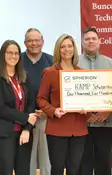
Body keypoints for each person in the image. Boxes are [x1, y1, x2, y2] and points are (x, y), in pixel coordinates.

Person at [37, 34, 91, 175]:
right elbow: (41, 99)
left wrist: (87, 109)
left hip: (79, 129)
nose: (67, 49)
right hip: (57, 129)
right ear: (58, 50)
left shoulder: (82, 73)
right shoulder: (49, 72)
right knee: (57, 169)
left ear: (74, 48)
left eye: (69, 46)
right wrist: (53, 110)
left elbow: (89, 99)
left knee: (75, 169)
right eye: (63, 46)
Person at [0, 40, 38, 175]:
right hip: (4, 134)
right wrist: (26, 117)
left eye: (16, 53)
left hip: (24, 133)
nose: (13, 56)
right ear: (3, 54)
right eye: (10, 52)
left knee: (23, 171)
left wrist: (27, 128)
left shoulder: (23, 77)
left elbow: (31, 103)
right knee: (5, 171)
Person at [77, 27, 112, 175]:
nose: (91, 41)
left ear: (100, 42)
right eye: (87, 39)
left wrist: (107, 110)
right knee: (83, 161)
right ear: (82, 42)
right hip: (81, 122)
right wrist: (86, 113)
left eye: (94, 38)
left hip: (105, 122)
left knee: (104, 160)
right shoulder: (74, 63)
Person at [21, 28, 52, 175]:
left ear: (43, 42)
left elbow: (57, 89)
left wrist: (47, 110)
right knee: (27, 159)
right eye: (30, 40)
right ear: (25, 42)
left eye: (37, 40)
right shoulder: (17, 61)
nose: (34, 43)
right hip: (24, 118)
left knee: (47, 160)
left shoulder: (51, 61)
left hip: (47, 117)